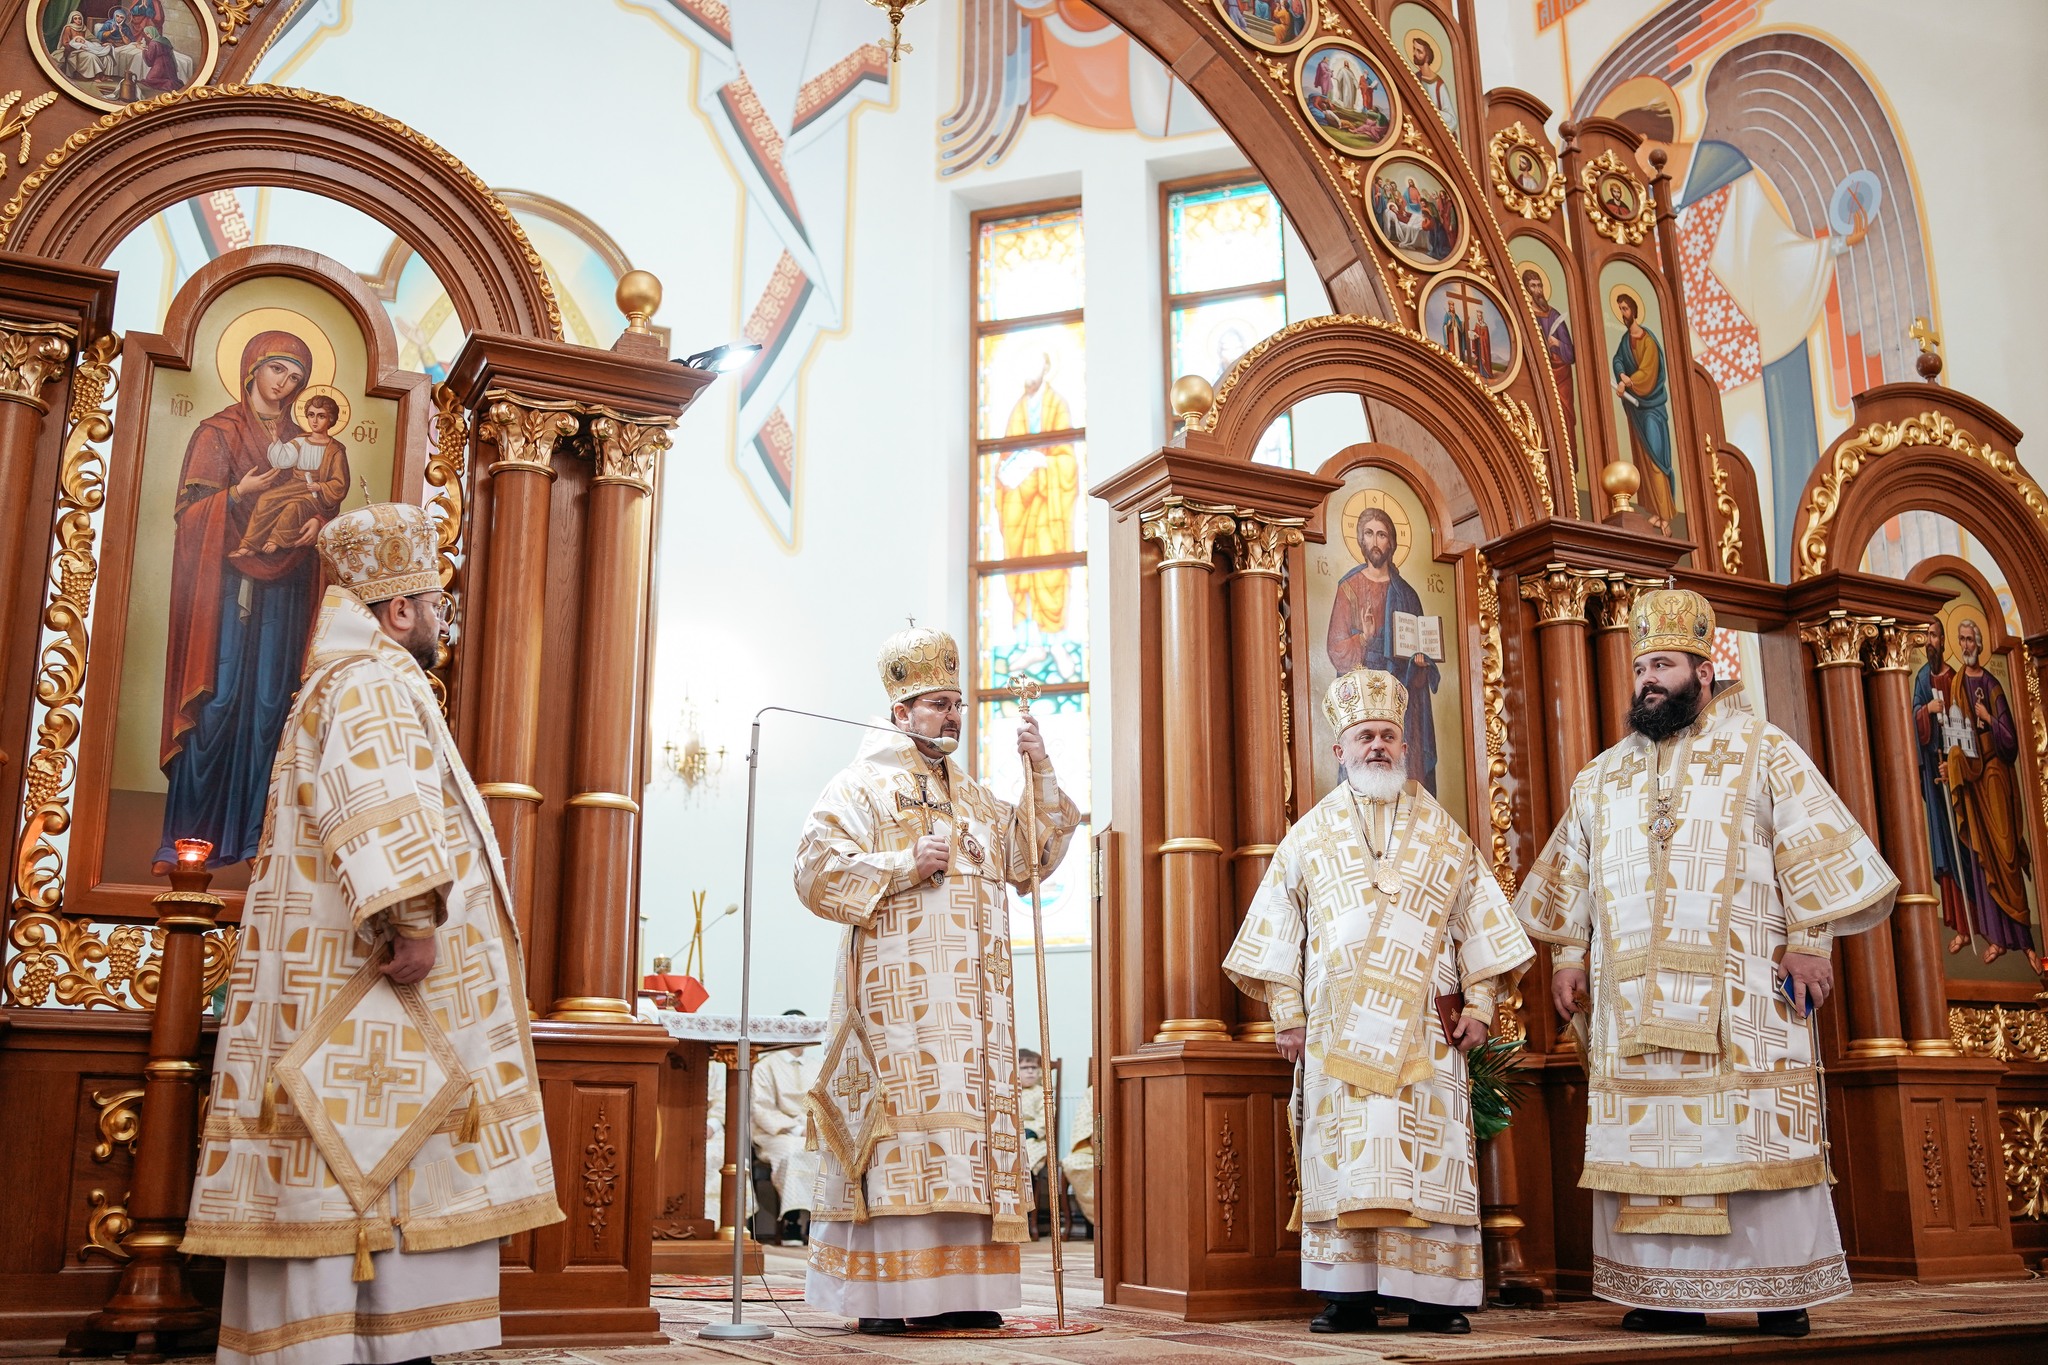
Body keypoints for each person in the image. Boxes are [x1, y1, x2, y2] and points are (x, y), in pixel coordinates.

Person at [183, 502, 562, 1365]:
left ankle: (350, 1337)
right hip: (374, 979)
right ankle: (376, 1341)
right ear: (398, 611)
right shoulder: (375, 681)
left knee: (354, 1150)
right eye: (434, 605)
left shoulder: (340, 679)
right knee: (375, 1147)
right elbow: (384, 802)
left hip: (337, 976)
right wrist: (415, 920)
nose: (441, 622)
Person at [1515, 586, 1896, 1338]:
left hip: (1743, 996)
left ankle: (1779, 1289)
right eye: (1641, 667)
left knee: (1749, 1137)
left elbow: (1810, 847)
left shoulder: (1763, 749)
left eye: (1664, 665)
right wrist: (1567, 955)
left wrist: (1810, 942)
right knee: (1651, 1144)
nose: (1649, 680)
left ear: (1702, 668)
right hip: (1633, 1007)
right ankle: (1665, 1292)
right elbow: (1572, 877)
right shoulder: (1601, 777)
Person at [1225, 668, 1533, 1334]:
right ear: (1340, 748)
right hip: (1336, 1030)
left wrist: (1480, 1005)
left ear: (1405, 744)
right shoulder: (1308, 835)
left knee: (1426, 1159)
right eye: (1365, 735)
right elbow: (1277, 929)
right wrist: (1288, 1015)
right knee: (1350, 1159)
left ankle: (1433, 1297)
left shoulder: (1444, 834)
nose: (1378, 746)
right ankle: (1349, 1295)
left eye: (1389, 735)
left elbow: (1479, 923)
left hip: (1427, 1031)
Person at [795, 624, 1080, 1334]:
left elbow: (1031, 857)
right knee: (901, 1143)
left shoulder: (976, 798)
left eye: (957, 704)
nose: (952, 716)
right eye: (937, 704)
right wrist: (900, 866)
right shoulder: (859, 785)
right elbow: (813, 872)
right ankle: (886, 1297)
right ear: (900, 711)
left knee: (968, 1147)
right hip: (899, 1016)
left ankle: (964, 1289)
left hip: (975, 1021)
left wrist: (1040, 767)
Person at [159, 331, 330, 872]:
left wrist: (316, 527)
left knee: (271, 706)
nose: (285, 384)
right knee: (217, 700)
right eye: (278, 370)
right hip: (224, 588)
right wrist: (238, 494)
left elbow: (319, 496)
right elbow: (190, 517)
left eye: (296, 378)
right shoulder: (218, 432)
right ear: (253, 367)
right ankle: (184, 839)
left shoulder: (306, 442)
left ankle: (259, 836)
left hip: (284, 588)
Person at [1326, 508, 1440, 793]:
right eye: (1369, 534)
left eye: (1382, 535)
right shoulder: (1349, 587)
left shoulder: (1407, 593)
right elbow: (1336, 650)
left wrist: (1420, 664)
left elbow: (1419, 647)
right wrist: (1363, 638)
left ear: (1392, 542)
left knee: (1406, 770)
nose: (1375, 541)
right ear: (1360, 540)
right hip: (1362, 696)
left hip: (1402, 695)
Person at [1942, 619, 2036, 964]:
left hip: (1995, 774)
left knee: (2006, 856)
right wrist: (1951, 764)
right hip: (1972, 779)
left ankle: (2027, 941)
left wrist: (1988, 717)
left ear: (1980, 645)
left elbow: (2010, 739)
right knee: (1981, 860)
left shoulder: (1992, 685)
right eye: (1962, 639)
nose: (1966, 645)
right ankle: (1995, 938)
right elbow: (1954, 732)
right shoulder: (1956, 685)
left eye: (1971, 639)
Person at [234, 393, 350, 561]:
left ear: (330, 419)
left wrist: (320, 486)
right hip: (295, 484)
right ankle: (249, 544)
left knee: (294, 507)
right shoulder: (301, 441)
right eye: (311, 415)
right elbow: (283, 460)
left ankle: (276, 540)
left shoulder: (336, 450)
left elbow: (340, 483)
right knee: (265, 499)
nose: (314, 421)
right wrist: (275, 440)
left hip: (317, 494)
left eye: (321, 416)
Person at [752, 1009, 822, 1244]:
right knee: (794, 1152)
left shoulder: (817, 1066)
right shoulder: (766, 1066)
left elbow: (826, 1103)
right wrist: (796, 1129)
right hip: (776, 1133)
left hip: (813, 1129)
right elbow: (761, 1107)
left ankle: (817, 1221)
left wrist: (814, 1127)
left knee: (829, 1152)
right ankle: (792, 1220)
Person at [1610, 290, 1676, 531]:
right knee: (1642, 458)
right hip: (1636, 408)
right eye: (1620, 309)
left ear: (1634, 311)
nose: (1623, 313)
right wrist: (1621, 374)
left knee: (1656, 458)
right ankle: (1654, 511)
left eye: (1625, 308)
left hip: (1651, 407)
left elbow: (1649, 371)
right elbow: (1618, 359)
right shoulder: (1626, 339)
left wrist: (1629, 382)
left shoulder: (1647, 340)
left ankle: (1666, 516)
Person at [1520, 268, 1577, 445]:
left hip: (1561, 376)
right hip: (1537, 372)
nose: (1538, 290)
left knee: (1564, 417)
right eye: (1533, 286)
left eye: (1539, 285)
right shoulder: (1525, 314)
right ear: (1527, 289)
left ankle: (1567, 453)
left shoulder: (1554, 315)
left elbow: (1571, 354)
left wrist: (1557, 343)